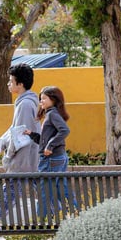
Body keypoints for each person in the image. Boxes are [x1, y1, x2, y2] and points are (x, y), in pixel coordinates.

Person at [0, 63, 41, 219]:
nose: (8, 84)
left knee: (9, 194)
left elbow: (20, 136)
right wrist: (1, 142)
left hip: (23, 159)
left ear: (20, 84)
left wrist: (8, 155)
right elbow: (14, 129)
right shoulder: (25, 102)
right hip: (28, 159)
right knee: (42, 193)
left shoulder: (25, 105)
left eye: (11, 81)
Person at [28, 85, 74, 217]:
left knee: (44, 189)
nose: (41, 101)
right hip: (55, 157)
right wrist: (31, 134)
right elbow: (45, 139)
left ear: (53, 100)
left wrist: (50, 146)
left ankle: (43, 219)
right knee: (59, 188)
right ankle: (73, 211)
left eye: (44, 98)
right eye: (40, 99)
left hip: (51, 159)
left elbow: (65, 130)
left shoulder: (52, 114)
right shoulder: (51, 114)